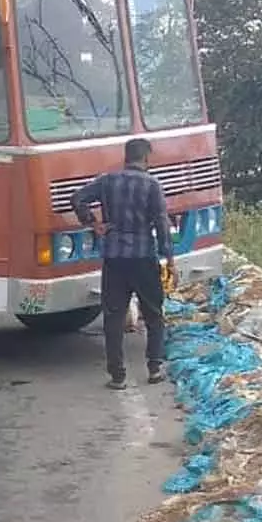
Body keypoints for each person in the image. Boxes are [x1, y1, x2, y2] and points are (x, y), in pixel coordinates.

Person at [70, 138, 175, 390]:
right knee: (153, 314)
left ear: (126, 157)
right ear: (146, 158)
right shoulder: (152, 185)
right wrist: (169, 258)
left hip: (114, 257)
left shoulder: (108, 181)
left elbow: (77, 198)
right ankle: (155, 367)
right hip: (143, 256)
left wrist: (93, 223)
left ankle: (117, 375)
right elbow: (161, 223)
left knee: (114, 316)